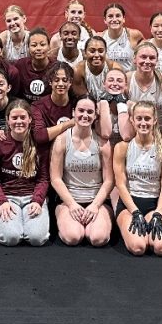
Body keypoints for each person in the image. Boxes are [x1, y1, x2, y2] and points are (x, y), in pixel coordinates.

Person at [49, 96, 113, 247]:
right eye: (81, 111)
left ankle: (98, 222)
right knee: (73, 237)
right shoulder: (62, 140)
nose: (85, 115)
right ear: (73, 112)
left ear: (96, 115)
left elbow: (109, 180)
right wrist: (71, 205)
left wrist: (95, 205)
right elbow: (56, 179)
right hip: (69, 200)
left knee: (98, 239)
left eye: (90, 112)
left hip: (96, 200)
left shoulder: (102, 143)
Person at [113, 101, 162, 257]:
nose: (143, 123)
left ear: (154, 120)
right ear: (132, 120)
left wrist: (158, 214)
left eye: (147, 118)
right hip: (130, 205)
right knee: (138, 247)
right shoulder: (122, 148)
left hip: (154, 205)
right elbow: (120, 184)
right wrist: (134, 212)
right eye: (139, 118)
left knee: (161, 248)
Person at [0, 99, 50, 247]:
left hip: (31, 197)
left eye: (23, 117)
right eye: (14, 118)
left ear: (30, 119)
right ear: (7, 120)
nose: (19, 121)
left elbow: (43, 179)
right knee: (11, 238)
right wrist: (1, 202)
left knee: (37, 239)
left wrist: (37, 201)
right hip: (8, 197)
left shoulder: (39, 143)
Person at [127, 41, 162, 134]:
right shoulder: (127, 80)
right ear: (134, 59)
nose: (147, 61)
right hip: (140, 130)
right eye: (143, 57)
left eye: (152, 58)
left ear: (157, 61)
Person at [29, 63, 78, 154]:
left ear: (70, 82)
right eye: (56, 80)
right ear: (50, 82)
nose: (60, 84)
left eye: (64, 80)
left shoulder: (77, 104)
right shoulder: (38, 106)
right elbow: (40, 136)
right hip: (46, 154)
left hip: (72, 153)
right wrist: (69, 123)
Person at [14, 28, 54, 101]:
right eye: (34, 45)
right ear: (28, 47)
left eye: (42, 45)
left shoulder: (56, 67)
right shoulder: (20, 65)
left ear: (49, 46)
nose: (38, 48)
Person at [100, 3, 142, 72]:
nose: (114, 19)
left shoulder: (133, 35)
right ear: (105, 20)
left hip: (128, 80)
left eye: (118, 16)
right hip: (108, 80)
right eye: (110, 16)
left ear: (123, 19)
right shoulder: (100, 37)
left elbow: (147, 51)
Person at [97, 67, 134, 146]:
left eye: (119, 81)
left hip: (124, 148)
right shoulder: (97, 106)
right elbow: (105, 134)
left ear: (125, 85)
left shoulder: (132, 106)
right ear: (104, 84)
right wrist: (104, 104)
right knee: (104, 144)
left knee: (124, 145)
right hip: (105, 147)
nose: (114, 84)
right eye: (110, 80)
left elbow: (126, 136)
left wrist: (121, 104)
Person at [74, 34, 110, 100]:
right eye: (92, 51)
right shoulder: (78, 70)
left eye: (101, 51)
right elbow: (83, 98)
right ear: (85, 52)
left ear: (106, 52)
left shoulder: (113, 68)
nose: (96, 55)